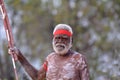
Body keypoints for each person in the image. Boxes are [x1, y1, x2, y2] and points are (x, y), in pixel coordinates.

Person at [9, 24, 90, 80]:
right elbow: (37, 77)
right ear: (53, 40)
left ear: (71, 42)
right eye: (57, 38)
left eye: (64, 39)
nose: (60, 42)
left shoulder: (78, 59)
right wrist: (20, 56)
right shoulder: (50, 59)